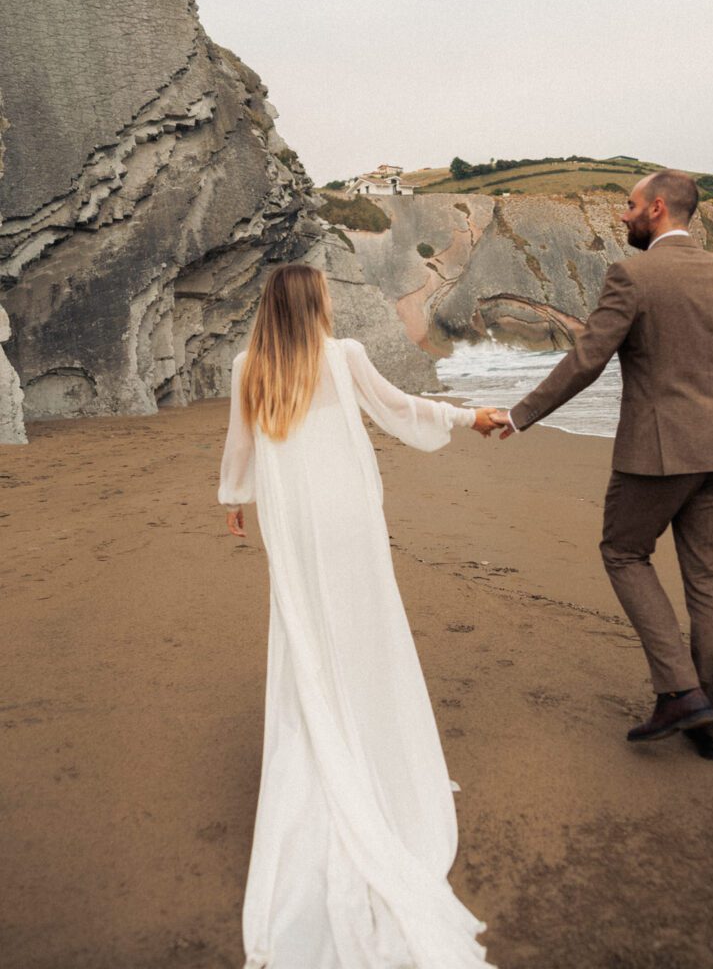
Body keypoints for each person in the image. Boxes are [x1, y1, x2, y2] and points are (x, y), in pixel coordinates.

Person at [218, 262, 498, 969]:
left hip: (293, 526)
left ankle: (328, 733)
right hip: (348, 522)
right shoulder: (342, 356)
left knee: (306, 633)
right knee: (365, 630)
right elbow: (399, 408)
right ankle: (375, 750)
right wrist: (468, 416)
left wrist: (234, 499)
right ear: (315, 302)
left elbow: (242, 444)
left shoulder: (249, 366)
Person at [492, 170, 713, 761]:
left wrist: (519, 414)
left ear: (657, 208)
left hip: (658, 452)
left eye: (630, 205)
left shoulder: (632, 275)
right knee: (711, 580)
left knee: (623, 552)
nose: (623, 214)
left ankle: (681, 692)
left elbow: (586, 360)